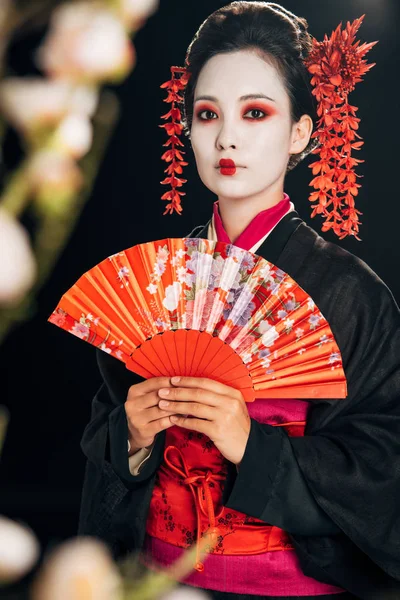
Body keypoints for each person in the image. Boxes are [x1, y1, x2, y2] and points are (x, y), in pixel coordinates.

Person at [78, 3, 400, 599]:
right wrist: (132, 435)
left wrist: (252, 444)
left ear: (300, 131)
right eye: (207, 115)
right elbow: (104, 428)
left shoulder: (350, 295)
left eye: (256, 112)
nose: (226, 137)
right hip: (159, 581)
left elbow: (386, 465)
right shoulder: (160, 282)